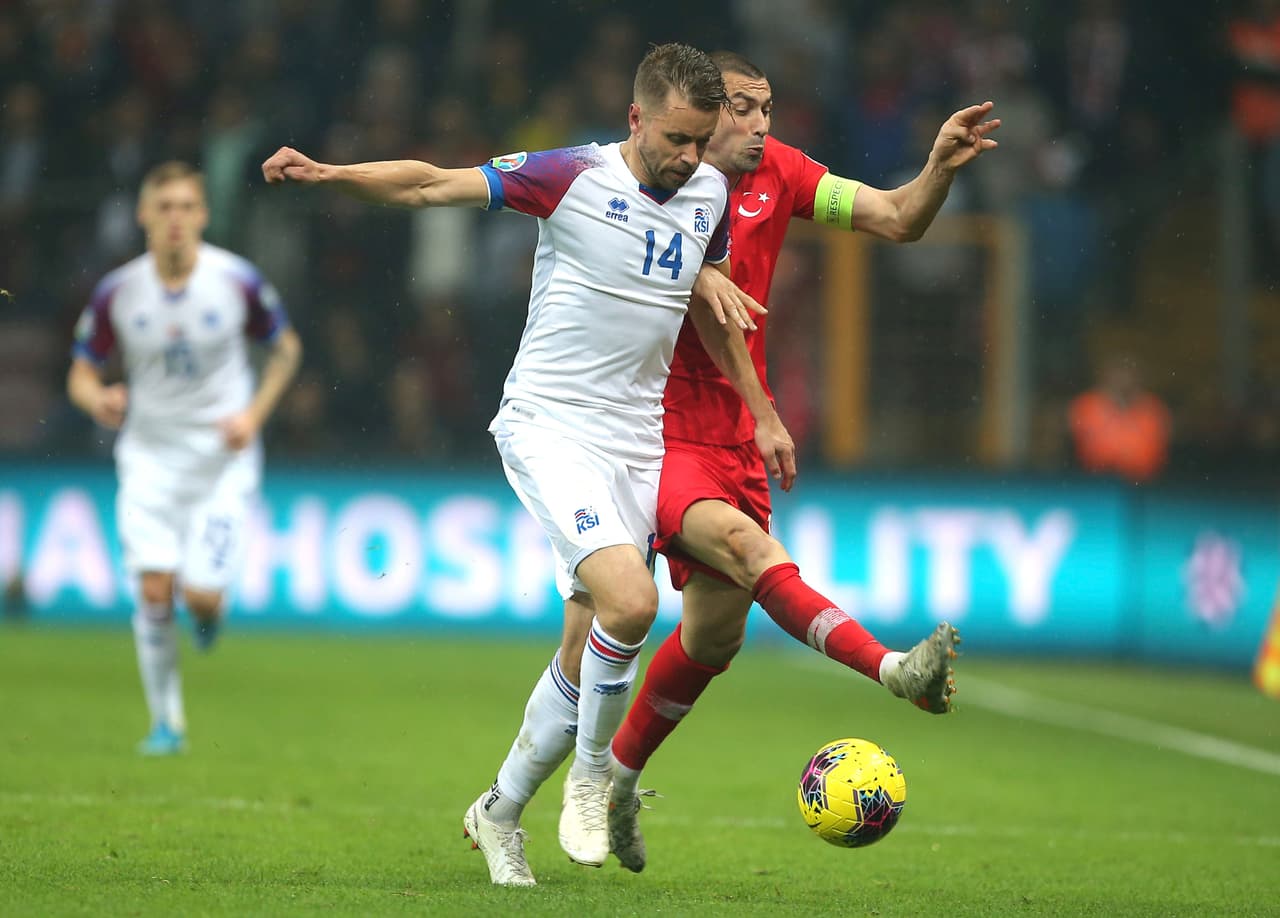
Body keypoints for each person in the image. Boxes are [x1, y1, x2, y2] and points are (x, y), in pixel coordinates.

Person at [260, 43, 780, 887]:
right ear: (637, 118)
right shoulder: (568, 175)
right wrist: (329, 174)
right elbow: (433, 183)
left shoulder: (711, 194)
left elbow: (706, 299)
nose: (689, 158)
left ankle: (499, 812)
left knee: (587, 645)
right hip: (549, 425)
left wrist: (758, 408)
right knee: (633, 602)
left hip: (634, 443)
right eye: (676, 140)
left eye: (701, 141)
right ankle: (592, 778)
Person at [505, 51, 1001, 875]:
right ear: (697, 112)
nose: (757, 123)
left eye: (766, 106)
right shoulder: (652, 178)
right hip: (654, 436)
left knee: (711, 635)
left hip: (735, 436)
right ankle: (891, 669)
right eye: (739, 107)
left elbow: (897, 219)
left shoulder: (782, 172)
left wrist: (936, 170)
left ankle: (605, 786)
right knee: (743, 555)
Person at [67, 160, 302, 757]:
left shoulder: (236, 281)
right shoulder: (119, 291)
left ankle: (206, 615)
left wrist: (253, 414)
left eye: (186, 207)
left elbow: (286, 349)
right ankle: (167, 722)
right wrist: (99, 398)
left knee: (198, 595)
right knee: (153, 588)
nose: (175, 218)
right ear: (144, 215)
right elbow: (81, 372)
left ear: (203, 215)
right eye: (163, 206)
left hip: (222, 460)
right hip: (148, 457)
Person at [1067, 351, 1171, 484]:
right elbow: (1086, 454)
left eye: (1129, 373)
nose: (1124, 379)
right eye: (1118, 373)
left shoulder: (1155, 411)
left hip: (1143, 486)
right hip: (1092, 484)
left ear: (1139, 379)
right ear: (1106, 376)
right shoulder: (1085, 407)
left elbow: (1152, 457)